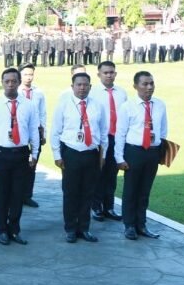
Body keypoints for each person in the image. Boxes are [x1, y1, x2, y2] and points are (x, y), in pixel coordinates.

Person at [0, 68, 40, 245]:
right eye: (6, 81)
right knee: (1, 194)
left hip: (21, 154)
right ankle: (2, 230)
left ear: (19, 82)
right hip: (0, 154)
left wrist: (35, 153)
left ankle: (14, 228)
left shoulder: (29, 105)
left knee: (17, 194)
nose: (10, 84)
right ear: (2, 83)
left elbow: (33, 131)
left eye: (13, 81)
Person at [51, 72, 107, 243]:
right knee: (70, 193)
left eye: (86, 85)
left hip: (91, 154)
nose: (82, 88)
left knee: (88, 193)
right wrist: (57, 155)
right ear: (72, 86)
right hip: (71, 153)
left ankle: (84, 228)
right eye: (79, 84)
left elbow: (104, 133)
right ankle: (70, 228)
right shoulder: (64, 104)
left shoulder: (98, 105)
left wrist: (102, 155)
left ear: (91, 86)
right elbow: (55, 132)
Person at [115, 71, 168, 240]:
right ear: (135, 86)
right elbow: (120, 133)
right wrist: (119, 158)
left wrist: (161, 153)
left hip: (152, 152)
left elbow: (163, 130)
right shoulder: (127, 106)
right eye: (145, 84)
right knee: (131, 190)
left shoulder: (160, 105)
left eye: (151, 83)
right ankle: (129, 225)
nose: (149, 87)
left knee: (145, 191)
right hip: (134, 152)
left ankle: (141, 224)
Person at [88, 61, 128, 222]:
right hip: (100, 138)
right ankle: (96, 206)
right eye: (105, 72)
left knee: (112, 174)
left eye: (111, 72)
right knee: (98, 173)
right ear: (99, 75)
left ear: (115, 74)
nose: (109, 75)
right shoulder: (93, 93)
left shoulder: (122, 93)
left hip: (117, 137)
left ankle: (109, 206)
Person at [18, 64, 47, 208]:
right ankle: (15, 195)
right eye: (25, 74)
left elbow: (43, 113)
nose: (28, 77)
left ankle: (27, 195)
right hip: (19, 133)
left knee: (32, 165)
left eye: (31, 74)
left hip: (35, 132)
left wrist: (43, 133)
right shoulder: (15, 91)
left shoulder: (38, 92)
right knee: (18, 166)